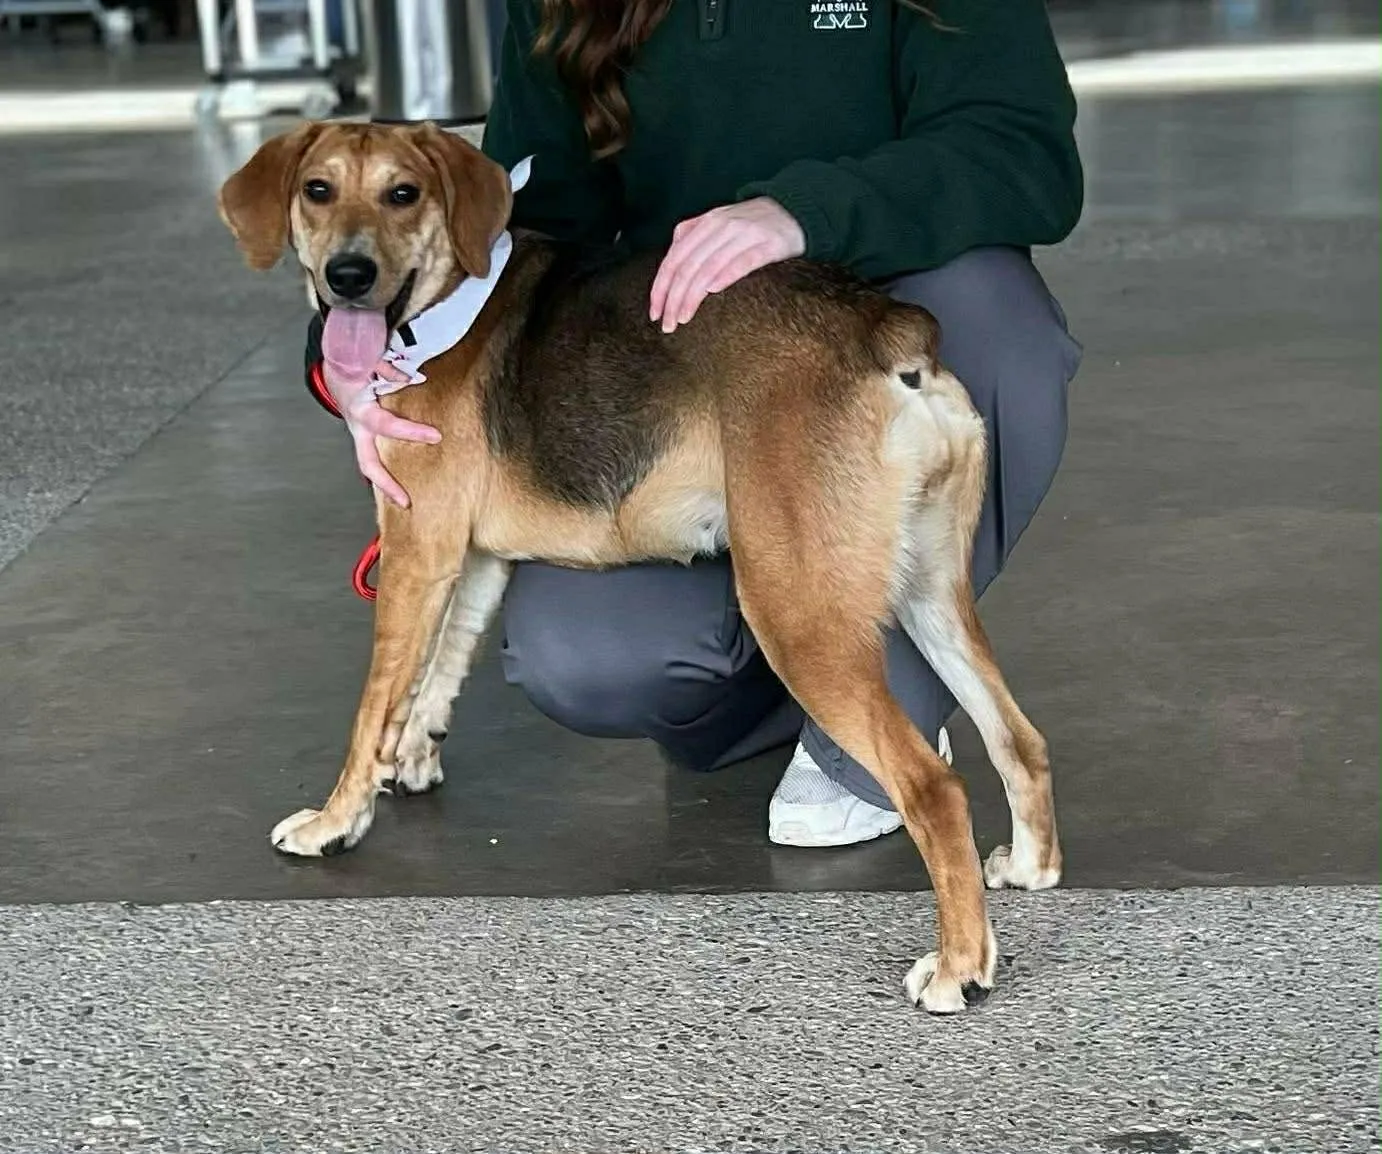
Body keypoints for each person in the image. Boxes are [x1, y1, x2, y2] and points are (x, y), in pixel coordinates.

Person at [305, 0, 1085, 849]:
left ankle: (879, 708)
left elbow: (1025, 154)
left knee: (1004, 327)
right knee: (585, 663)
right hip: (678, 363)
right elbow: (518, 219)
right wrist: (362, 361)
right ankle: (809, 665)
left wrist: (798, 213)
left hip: (896, 305)